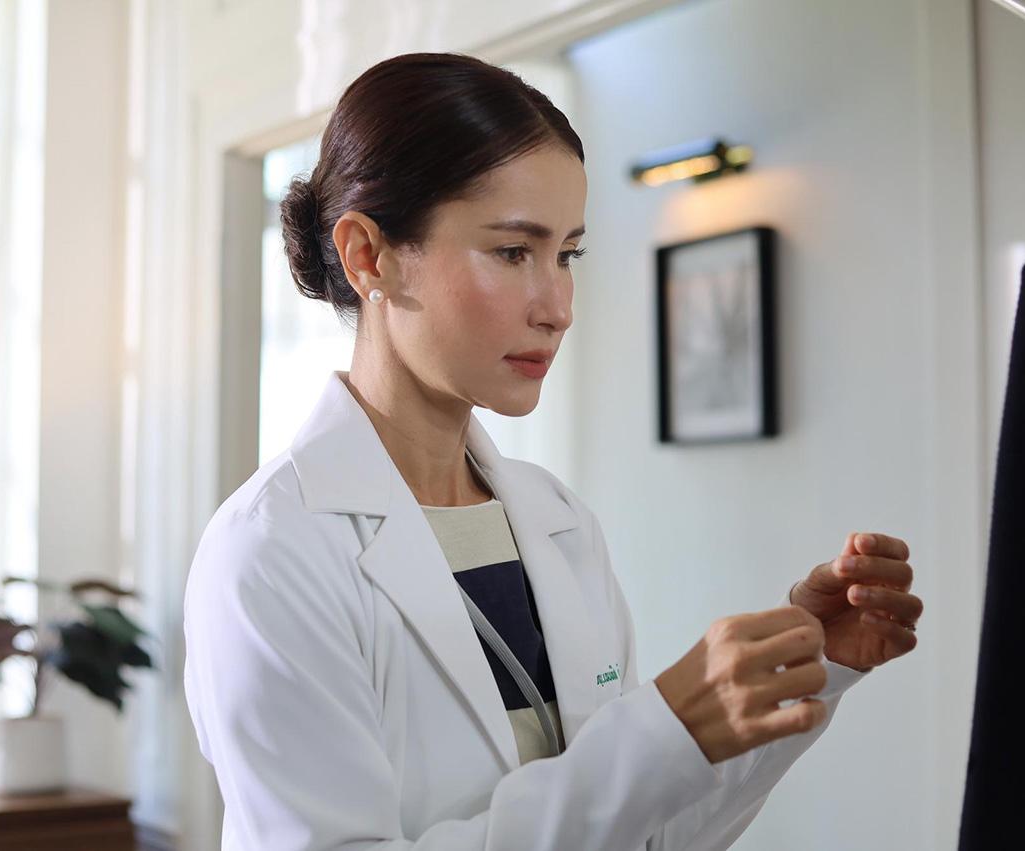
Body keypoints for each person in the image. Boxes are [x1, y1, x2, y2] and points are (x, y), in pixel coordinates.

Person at [182, 51, 924, 851]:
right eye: (513, 252)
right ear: (370, 256)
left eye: (567, 254)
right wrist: (663, 732)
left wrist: (797, 672)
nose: (558, 307)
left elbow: (641, 834)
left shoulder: (556, 520)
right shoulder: (271, 553)